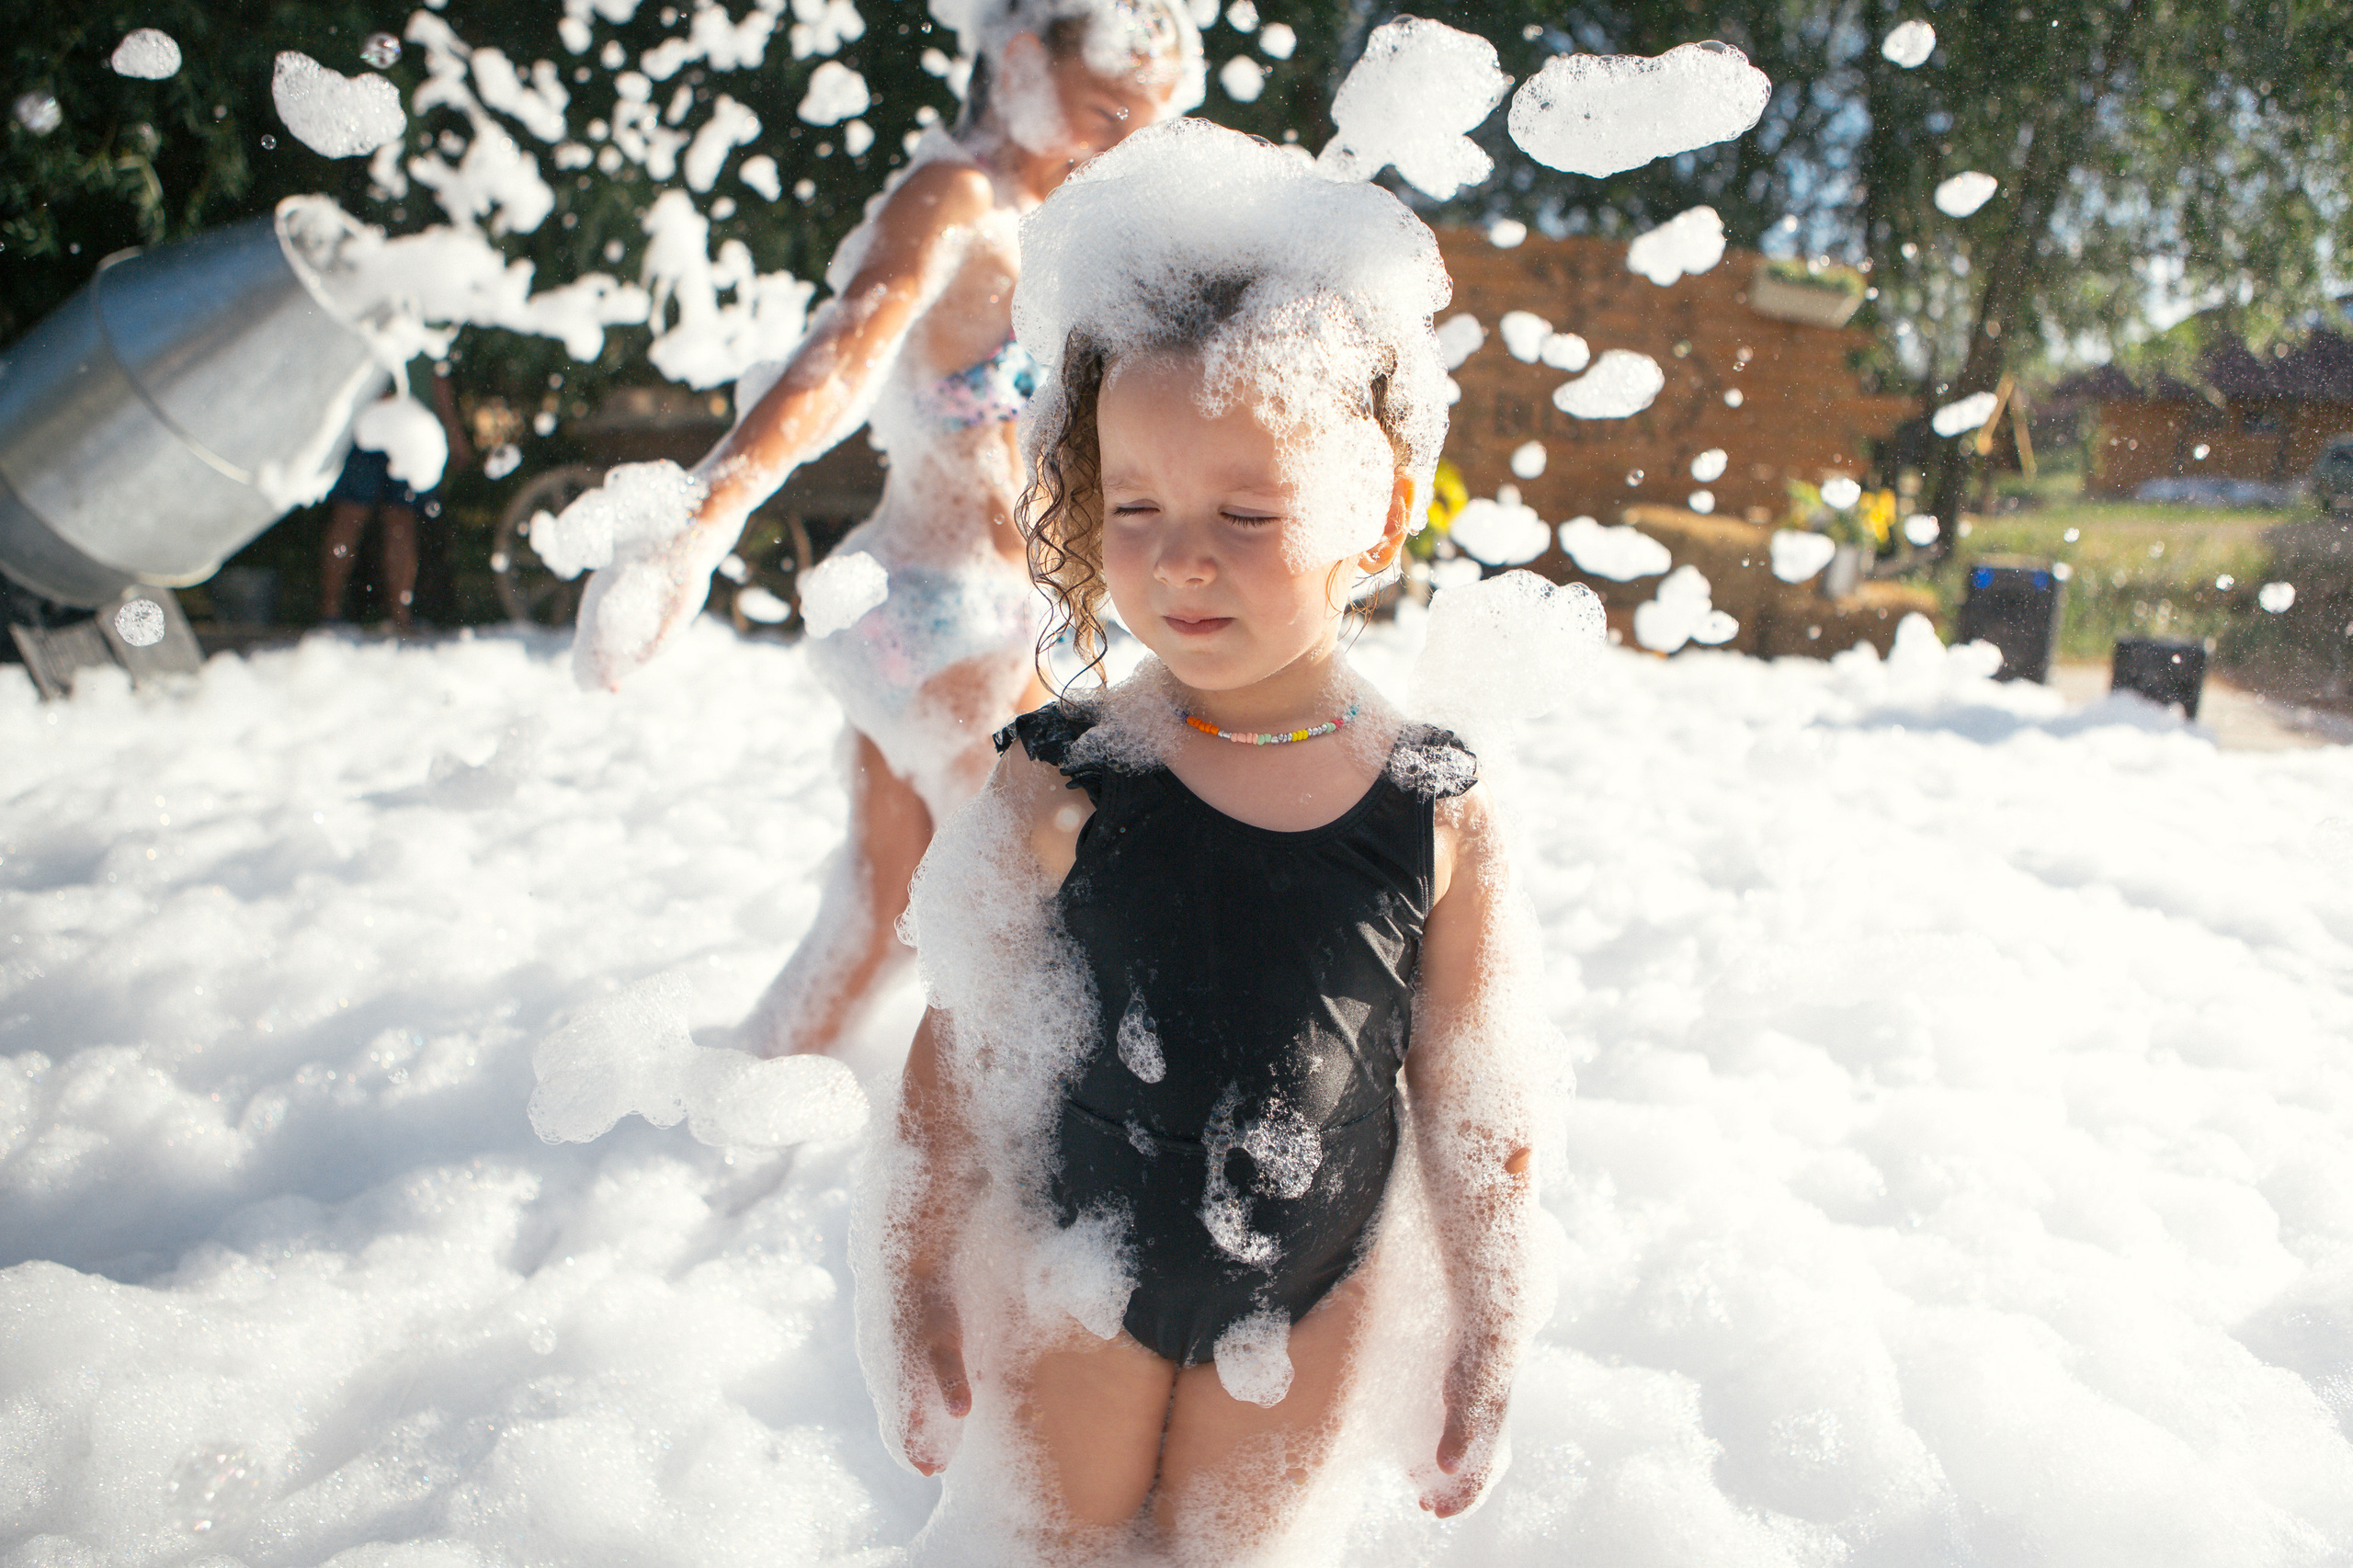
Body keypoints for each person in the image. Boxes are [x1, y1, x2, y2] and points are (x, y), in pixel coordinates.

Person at [866, 121, 1550, 1565]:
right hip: (1083, 1272)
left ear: (1377, 517)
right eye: (1136, 507)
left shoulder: (1429, 805)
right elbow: (963, 1033)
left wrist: (1492, 1318)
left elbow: (1476, 1092)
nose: (1183, 555)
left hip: (1309, 1301)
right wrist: (914, 1260)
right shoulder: (1067, 775)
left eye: (1248, 512)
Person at [565, 0, 1201, 1062]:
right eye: (1103, 111)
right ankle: (1014, 1194)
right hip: (946, 616)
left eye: (1151, 121)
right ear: (1015, 60)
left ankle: (733, 1141)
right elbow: (834, 362)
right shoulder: (953, 200)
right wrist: (699, 521)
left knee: (874, 918)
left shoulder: (1069, 230)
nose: (1126, 144)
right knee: (1039, 924)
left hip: (957, 616)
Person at [319, 367, 471, 632]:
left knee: (396, 521)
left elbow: (438, 373)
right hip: (374, 421)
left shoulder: (433, 328)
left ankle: (398, 616)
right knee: (354, 516)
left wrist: (452, 430)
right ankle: (330, 613)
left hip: (406, 426)